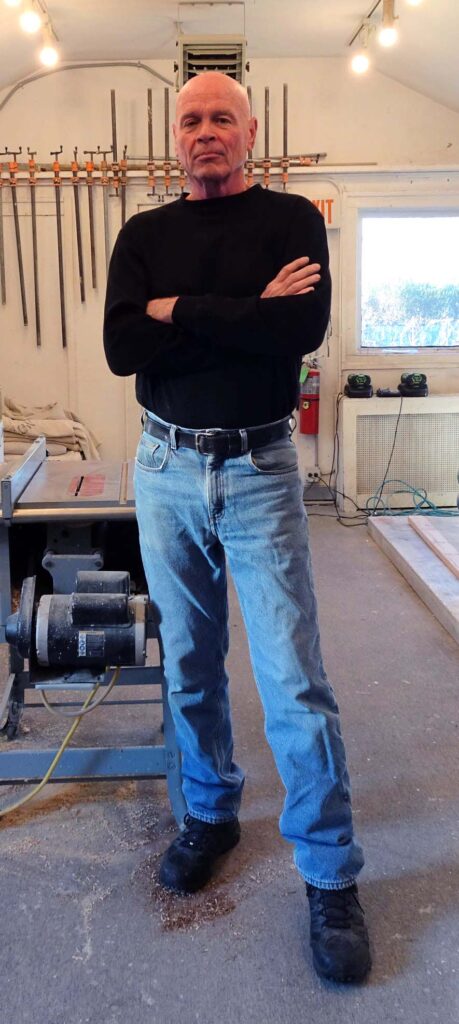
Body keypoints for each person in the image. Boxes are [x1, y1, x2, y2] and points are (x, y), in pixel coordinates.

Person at [103, 70, 371, 984]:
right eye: (190, 119)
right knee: (188, 661)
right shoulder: (144, 234)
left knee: (293, 678)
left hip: (259, 470)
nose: (205, 130)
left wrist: (179, 311)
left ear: (249, 131)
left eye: (222, 116)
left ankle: (329, 873)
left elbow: (298, 330)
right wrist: (244, 315)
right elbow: (119, 347)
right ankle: (210, 814)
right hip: (164, 467)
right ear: (173, 137)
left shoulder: (291, 221)